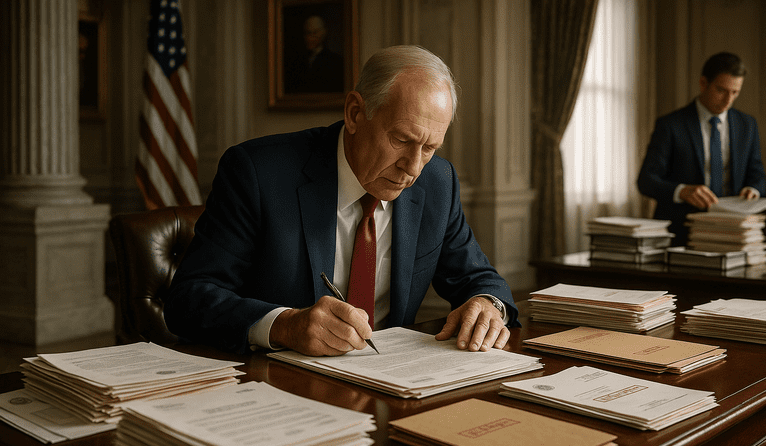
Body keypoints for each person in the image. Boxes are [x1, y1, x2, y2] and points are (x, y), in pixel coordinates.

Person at [164, 45, 520, 356]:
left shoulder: (438, 183)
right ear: (354, 113)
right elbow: (188, 299)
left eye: (429, 148)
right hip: (278, 384)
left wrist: (487, 305)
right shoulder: (257, 173)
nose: (413, 168)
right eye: (401, 140)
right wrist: (285, 326)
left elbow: (480, 279)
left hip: (393, 381)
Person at [637, 52, 766, 245]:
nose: (728, 100)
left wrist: (753, 188)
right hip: (682, 234)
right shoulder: (671, 125)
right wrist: (681, 191)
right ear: (703, 83)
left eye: (735, 92)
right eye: (721, 90)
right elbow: (646, 180)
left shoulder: (747, 125)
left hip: (734, 233)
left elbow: (757, 173)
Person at [284, 15, 344, 93]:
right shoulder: (296, 61)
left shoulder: (335, 61)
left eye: (314, 33)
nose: (309, 38)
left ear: (323, 33)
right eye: (307, 33)